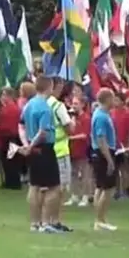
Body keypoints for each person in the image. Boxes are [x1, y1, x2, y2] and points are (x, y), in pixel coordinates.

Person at [18, 76, 62, 233]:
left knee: (34, 186)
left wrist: (26, 144)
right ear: (49, 87)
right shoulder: (45, 107)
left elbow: (21, 125)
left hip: (33, 150)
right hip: (44, 148)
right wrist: (30, 144)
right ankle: (45, 222)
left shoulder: (28, 105)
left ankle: (34, 223)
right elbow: (43, 132)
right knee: (54, 187)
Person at [46, 78, 75, 232]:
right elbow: (70, 129)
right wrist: (73, 121)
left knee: (48, 187)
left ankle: (48, 220)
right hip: (61, 150)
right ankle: (54, 220)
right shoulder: (58, 106)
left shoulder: (42, 104)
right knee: (60, 188)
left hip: (47, 149)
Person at [90, 88, 119, 231]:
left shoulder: (101, 114)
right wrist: (109, 159)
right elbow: (101, 139)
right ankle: (100, 220)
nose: (114, 101)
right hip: (103, 153)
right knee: (108, 188)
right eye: (113, 98)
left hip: (100, 152)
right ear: (107, 99)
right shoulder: (101, 116)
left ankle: (99, 219)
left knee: (100, 187)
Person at [64, 97, 91, 207]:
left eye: (76, 103)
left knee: (84, 174)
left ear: (82, 104)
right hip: (72, 150)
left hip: (83, 150)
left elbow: (85, 135)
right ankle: (74, 195)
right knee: (73, 173)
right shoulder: (71, 118)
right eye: (72, 104)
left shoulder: (86, 118)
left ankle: (85, 196)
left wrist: (70, 138)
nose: (73, 106)